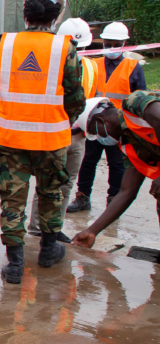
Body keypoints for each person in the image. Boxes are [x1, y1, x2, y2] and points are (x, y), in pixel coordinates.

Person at [0, 0, 85, 284]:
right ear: (55, 17)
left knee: (12, 199)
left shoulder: (6, 44)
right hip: (50, 139)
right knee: (50, 192)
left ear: (24, 14)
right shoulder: (65, 48)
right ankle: (49, 251)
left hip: (8, 138)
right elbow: (75, 96)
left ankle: (14, 265)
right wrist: (65, 118)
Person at [27, 18, 99, 241]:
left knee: (67, 183)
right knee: (47, 183)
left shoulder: (91, 66)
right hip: (54, 134)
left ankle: (55, 228)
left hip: (78, 135)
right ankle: (37, 228)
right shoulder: (50, 62)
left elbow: (92, 99)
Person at [68, 21, 146, 213]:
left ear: (124, 44)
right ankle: (83, 197)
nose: (111, 48)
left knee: (117, 165)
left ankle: (114, 201)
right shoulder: (94, 64)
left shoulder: (133, 67)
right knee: (88, 162)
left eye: (115, 44)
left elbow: (140, 97)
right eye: (108, 43)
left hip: (120, 127)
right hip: (94, 123)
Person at [73, 92, 160, 249]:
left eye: (94, 132)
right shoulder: (130, 145)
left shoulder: (136, 104)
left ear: (101, 121)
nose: (99, 139)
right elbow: (127, 192)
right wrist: (92, 231)